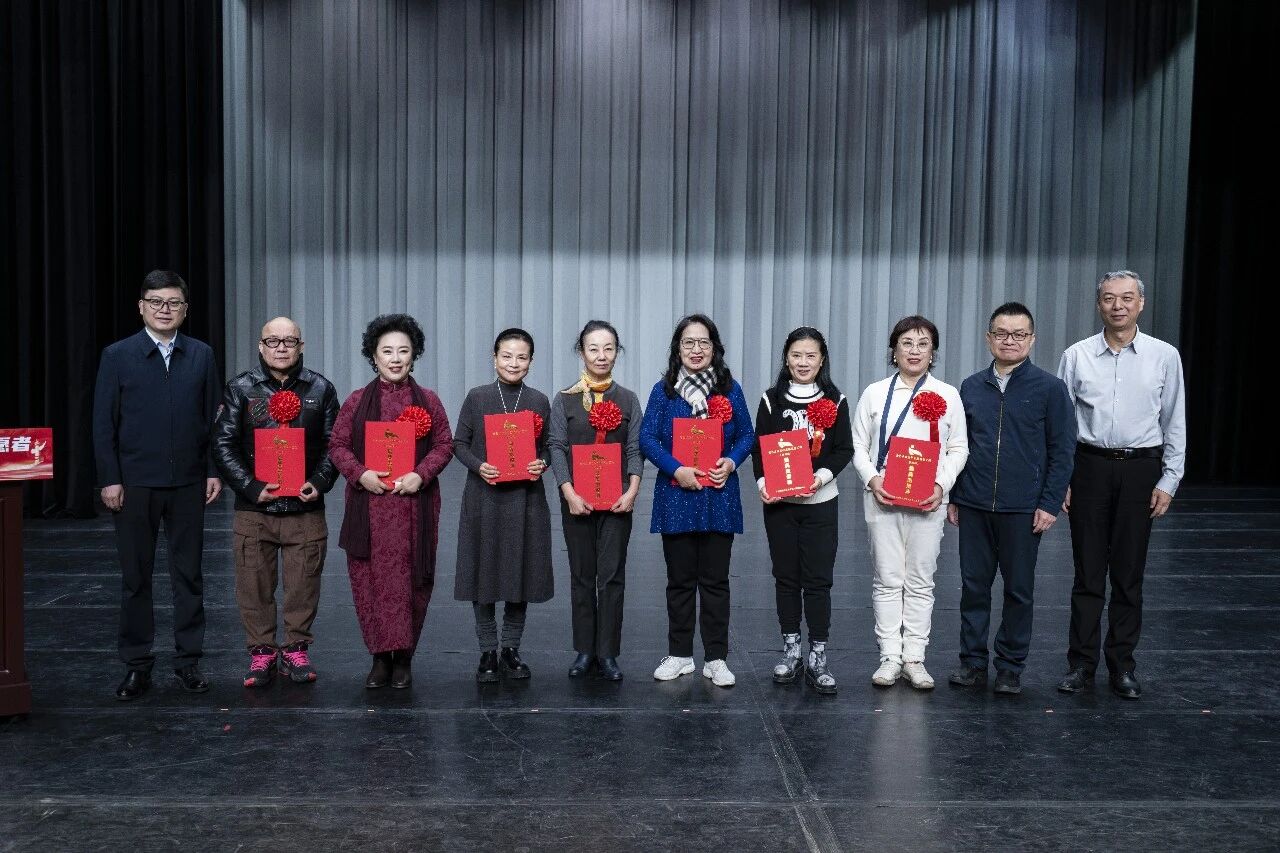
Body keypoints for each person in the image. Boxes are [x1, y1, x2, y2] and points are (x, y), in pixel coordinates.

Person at [1056, 271, 1186, 700]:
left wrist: (1170, 478)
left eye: (1127, 298)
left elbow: (1174, 420)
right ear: (1099, 304)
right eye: (1110, 298)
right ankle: (1081, 664)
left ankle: (1123, 665)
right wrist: (1062, 479)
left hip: (1139, 470)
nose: (1118, 306)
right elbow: (1062, 425)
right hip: (1088, 468)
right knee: (1087, 573)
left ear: (1140, 304)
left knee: (1129, 575)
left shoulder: (1164, 356)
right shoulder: (1076, 355)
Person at [92, 270, 222, 700]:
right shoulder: (118, 355)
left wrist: (212, 470)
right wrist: (110, 478)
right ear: (142, 306)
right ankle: (137, 665)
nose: (165, 310)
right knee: (136, 577)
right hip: (134, 485)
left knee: (189, 576)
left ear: (185, 309)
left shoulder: (201, 355)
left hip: (187, 483)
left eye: (174, 303)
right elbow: (103, 424)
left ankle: (188, 662)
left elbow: (213, 420)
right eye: (157, 302)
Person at [947, 303, 1075, 696]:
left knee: (1019, 590)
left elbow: (1063, 451)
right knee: (974, 587)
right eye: (1001, 333)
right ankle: (973, 663)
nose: (1010, 341)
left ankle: (1010, 667)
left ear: (1032, 340)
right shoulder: (970, 387)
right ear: (989, 338)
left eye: (1019, 334)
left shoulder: (1050, 389)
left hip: (1023, 509)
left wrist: (1049, 503)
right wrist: (955, 495)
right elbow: (957, 445)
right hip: (974, 504)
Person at [212, 317, 340, 687]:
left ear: (301, 346)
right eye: (273, 341)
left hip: (304, 505)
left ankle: (296, 648)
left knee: (303, 584)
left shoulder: (321, 388)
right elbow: (223, 443)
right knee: (253, 583)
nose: (281, 347)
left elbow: (335, 443)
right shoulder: (240, 388)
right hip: (255, 508)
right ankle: (262, 652)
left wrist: (319, 482)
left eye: (289, 341)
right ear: (261, 346)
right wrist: (250, 486)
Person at [328, 314, 454, 689]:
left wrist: (421, 474)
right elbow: (337, 446)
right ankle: (379, 657)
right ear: (374, 355)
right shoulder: (356, 401)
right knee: (369, 583)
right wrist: (360, 473)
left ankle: (405, 659)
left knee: (412, 583)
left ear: (414, 355)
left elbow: (444, 445)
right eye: (387, 351)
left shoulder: (428, 400)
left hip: (414, 508)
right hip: (370, 508)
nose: (395, 358)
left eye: (403, 350)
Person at [850, 317, 968, 690]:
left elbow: (959, 447)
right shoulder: (874, 393)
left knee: (920, 580)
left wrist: (940, 485)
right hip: (883, 498)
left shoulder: (948, 395)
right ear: (894, 350)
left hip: (929, 501)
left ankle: (914, 657)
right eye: (906, 343)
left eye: (923, 343)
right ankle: (889, 657)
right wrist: (872, 479)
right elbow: (858, 445)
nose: (914, 351)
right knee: (887, 579)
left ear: (933, 352)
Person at [640, 314, 755, 688]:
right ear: (678, 348)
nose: (696, 349)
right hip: (677, 496)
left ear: (714, 348)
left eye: (703, 342)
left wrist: (730, 461)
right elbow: (647, 439)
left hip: (718, 496)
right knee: (679, 582)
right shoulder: (664, 391)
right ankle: (679, 655)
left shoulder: (730, 390)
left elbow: (747, 435)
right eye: (688, 342)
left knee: (716, 583)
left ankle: (716, 659)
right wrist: (676, 469)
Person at [751, 327, 854, 695]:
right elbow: (759, 448)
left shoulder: (836, 400)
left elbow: (844, 449)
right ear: (786, 358)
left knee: (818, 580)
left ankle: (818, 656)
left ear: (822, 360)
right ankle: (792, 650)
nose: (803, 362)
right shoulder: (770, 400)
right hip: (781, 506)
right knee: (786, 578)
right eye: (797, 355)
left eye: (811, 355)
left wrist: (820, 478)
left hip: (820, 504)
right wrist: (763, 484)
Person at [453, 329, 554, 683]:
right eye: (506, 356)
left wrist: (542, 463)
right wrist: (479, 465)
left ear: (531, 361)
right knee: (483, 572)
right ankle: (487, 651)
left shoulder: (539, 400)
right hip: (484, 497)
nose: (514, 363)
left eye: (521, 357)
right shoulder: (477, 397)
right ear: (494, 358)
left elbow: (548, 447)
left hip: (525, 500)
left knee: (520, 573)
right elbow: (459, 443)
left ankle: (511, 648)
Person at [547, 321, 644, 681]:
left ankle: (608, 652)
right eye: (593, 348)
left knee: (613, 577)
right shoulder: (564, 399)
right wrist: (569, 492)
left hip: (618, 502)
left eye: (608, 348)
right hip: (576, 502)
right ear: (581, 352)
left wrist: (632, 492)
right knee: (582, 576)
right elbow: (556, 447)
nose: (601, 356)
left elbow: (634, 449)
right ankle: (585, 650)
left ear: (617, 352)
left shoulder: (628, 399)